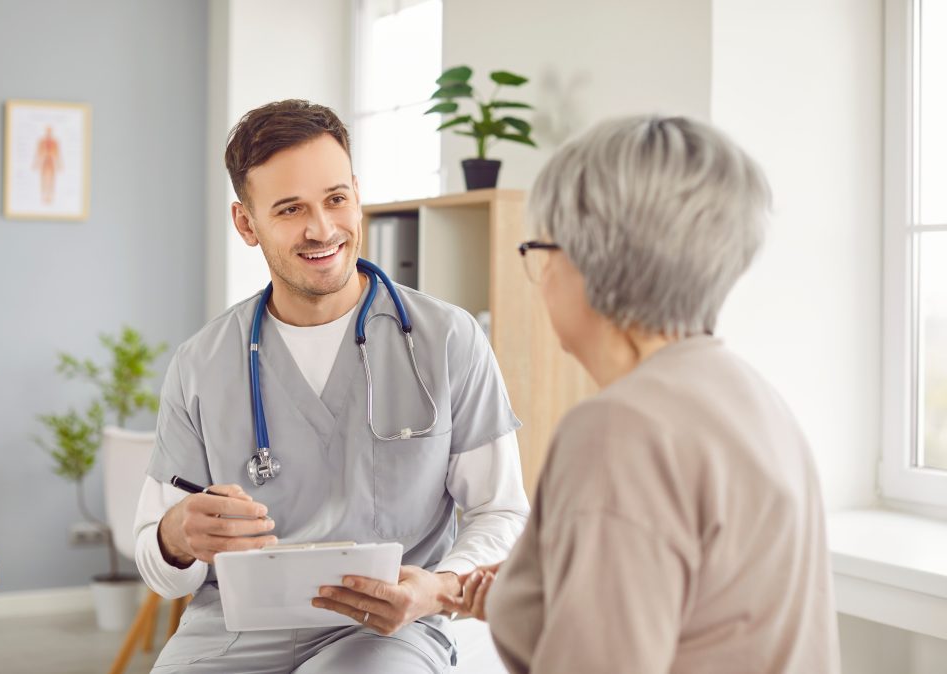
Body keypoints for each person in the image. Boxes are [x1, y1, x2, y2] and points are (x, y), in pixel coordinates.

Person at [133, 99, 529, 673]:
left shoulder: (447, 340)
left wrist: (437, 587)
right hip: (234, 633)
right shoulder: (201, 363)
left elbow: (502, 512)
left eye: (336, 199)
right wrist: (175, 537)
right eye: (290, 209)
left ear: (357, 195)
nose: (322, 229)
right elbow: (160, 567)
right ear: (246, 224)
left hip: (386, 631)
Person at [443, 115, 841, 673]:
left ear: (595, 262)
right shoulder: (758, 399)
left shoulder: (620, 431)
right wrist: (530, 596)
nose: (542, 273)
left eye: (542, 248)